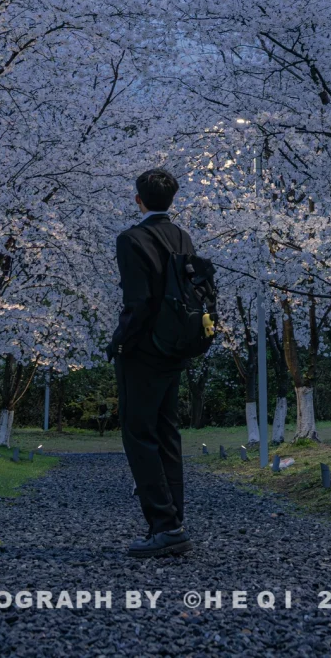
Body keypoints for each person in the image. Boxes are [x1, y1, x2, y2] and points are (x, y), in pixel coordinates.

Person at [111, 166, 193, 558]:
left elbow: (137, 302)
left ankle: (164, 525)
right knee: (167, 435)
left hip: (142, 352)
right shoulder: (182, 237)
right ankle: (174, 521)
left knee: (138, 436)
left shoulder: (132, 239)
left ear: (137, 200)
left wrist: (120, 342)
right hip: (174, 348)